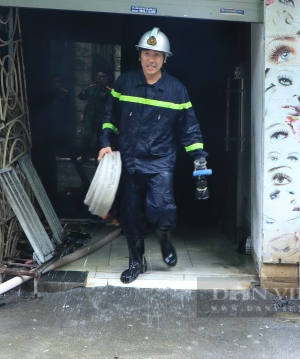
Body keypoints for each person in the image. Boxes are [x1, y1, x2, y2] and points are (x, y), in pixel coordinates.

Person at [98, 27, 208, 284]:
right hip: (129, 159)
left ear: (165, 59)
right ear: (139, 56)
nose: (151, 59)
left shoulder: (176, 90)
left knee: (161, 207)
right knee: (131, 212)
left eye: (157, 55)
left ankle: (165, 238)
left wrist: (198, 158)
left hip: (160, 160)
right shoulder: (124, 83)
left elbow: (190, 129)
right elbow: (109, 118)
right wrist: (105, 142)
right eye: (147, 53)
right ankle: (136, 261)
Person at [78, 70, 111, 159]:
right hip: (90, 117)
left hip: (101, 118)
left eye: (103, 77)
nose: (102, 78)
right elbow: (85, 100)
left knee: (99, 139)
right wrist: (82, 114)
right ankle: (84, 156)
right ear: (96, 78)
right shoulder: (90, 89)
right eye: (100, 76)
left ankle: (98, 158)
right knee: (86, 136)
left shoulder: (108, 91)